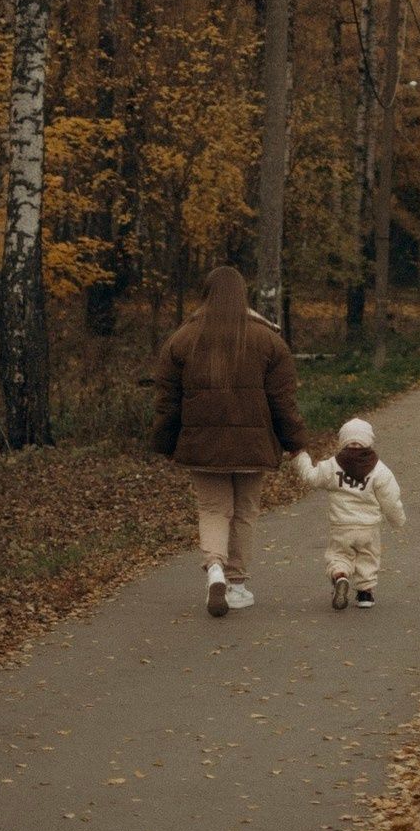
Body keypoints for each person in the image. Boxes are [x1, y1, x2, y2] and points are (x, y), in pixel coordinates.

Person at [153, 264, 309, 618]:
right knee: (244, 512)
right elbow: (282, 400)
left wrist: (165, 441)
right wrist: (294, 440)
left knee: (212, 509)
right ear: (244, 296)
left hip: (203, 444)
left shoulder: (181, 340)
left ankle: (215, 569)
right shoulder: (269, 340)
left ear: (206, 294)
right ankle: (236, 584)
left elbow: (167, 401)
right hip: (253, 446)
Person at [294, 416, 406, 609]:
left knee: (339, 556)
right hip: (368, 527)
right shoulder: (379, 470)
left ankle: (340, 576)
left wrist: (300, 457)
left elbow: (311, 477)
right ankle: (365, 594)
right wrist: (398, 521)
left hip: (341, 525)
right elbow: (390, 499)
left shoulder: (332, 466)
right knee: (368, 557)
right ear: (369, 441)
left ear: (342, 441)